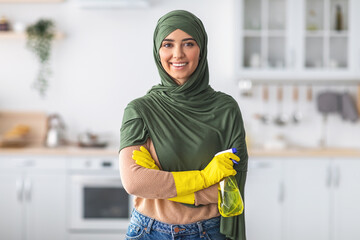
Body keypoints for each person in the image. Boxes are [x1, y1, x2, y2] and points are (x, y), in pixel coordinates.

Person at [119, 10, 248, 240]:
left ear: (202, 49)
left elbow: (231, 189)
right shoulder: (139, 110)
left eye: (188, 43)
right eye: (168, 45)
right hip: (148, 232)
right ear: (158, 52)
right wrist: (206, 178)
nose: (177, 54)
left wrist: (159, 181)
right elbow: (135, 182)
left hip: (208, 232)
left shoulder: (225, 109)